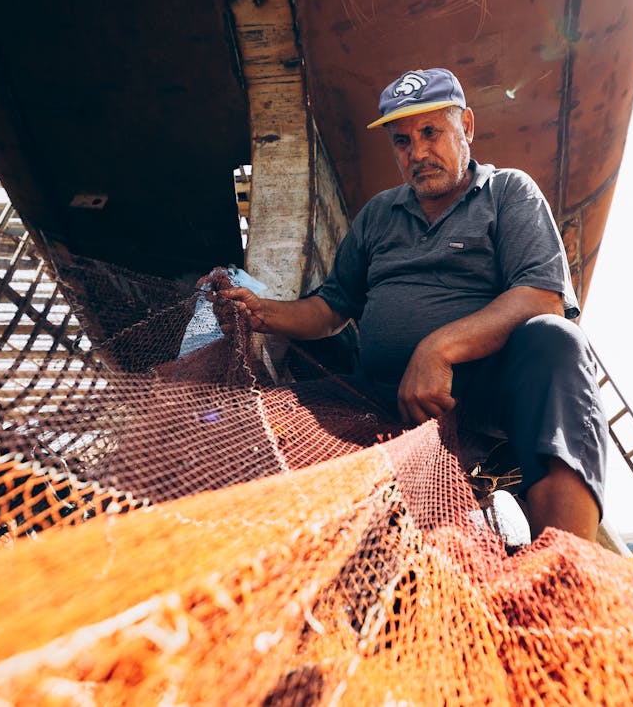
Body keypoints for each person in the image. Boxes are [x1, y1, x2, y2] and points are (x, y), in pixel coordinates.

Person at [208, 68, 605, 542]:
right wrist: (263, 313)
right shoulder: (377, 215)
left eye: (430, 132)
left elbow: (542, 296)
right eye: (401, 141)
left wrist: (437, 349)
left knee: (557, 339)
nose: (417, 153)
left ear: (468, 127)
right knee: (256, 418)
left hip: (484, 394)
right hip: (378, 394)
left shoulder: (508, 192)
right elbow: (331, 310)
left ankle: (570, 560)